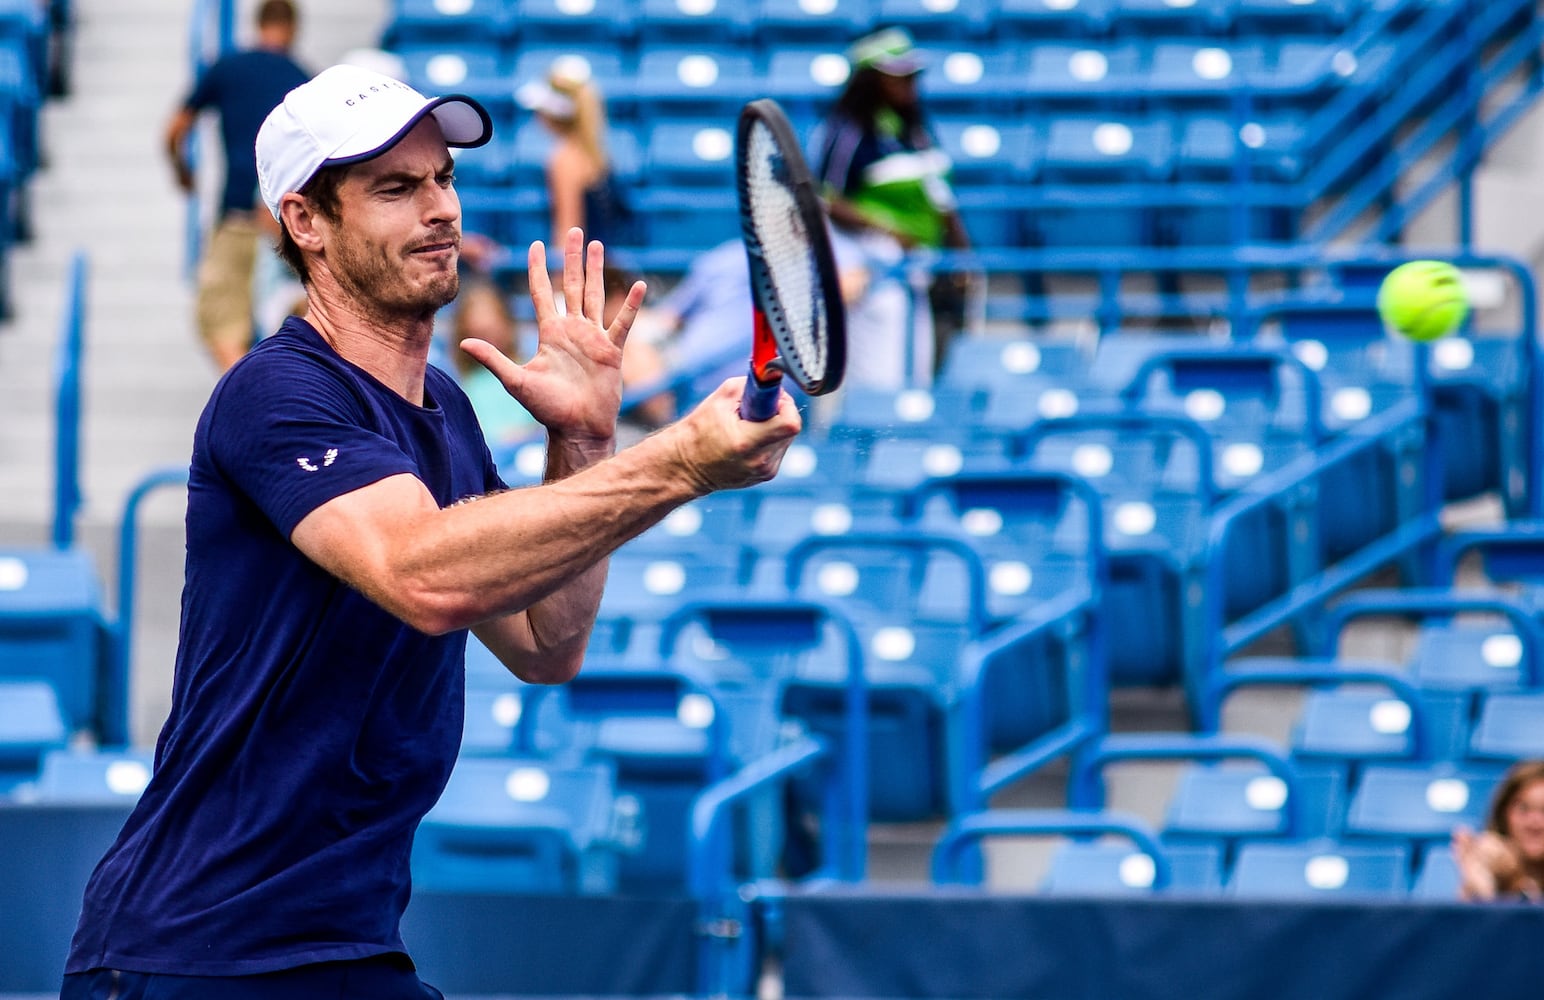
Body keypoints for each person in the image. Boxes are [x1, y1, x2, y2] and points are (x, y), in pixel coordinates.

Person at [62, 63, 800, 998]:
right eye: (397, 188)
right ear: (305, 221)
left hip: (348, 943)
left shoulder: (445, 413)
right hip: (192, 949)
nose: (441, 208)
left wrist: (582, 438)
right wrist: (677, 462)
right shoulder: (277, 392)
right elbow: (423, 577)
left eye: (444, 178)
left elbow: (545, 642)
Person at [808, 26, 977, 384]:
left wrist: (961, 253)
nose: (908, 84)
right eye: (896, 77)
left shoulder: (916, 130)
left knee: (920, 371)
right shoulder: (847, 132)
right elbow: (826, 199)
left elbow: (939, 196)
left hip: (925, 267)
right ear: (870, 80)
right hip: (877, 269)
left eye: (912, 75)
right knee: (881, 374)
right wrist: (887, 230)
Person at [164, 0, 310, 372]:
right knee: (291, 322)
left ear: (257, 24)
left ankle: (254, 391)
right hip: (289, 224)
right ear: (293, 29)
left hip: (239, 218)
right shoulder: (305, 81)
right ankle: (270, 392)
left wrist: (184, 173)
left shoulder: (228, 68)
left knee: (219, 321)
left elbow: (175, 130)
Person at [516, 63, 632, 251]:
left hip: (586, 268)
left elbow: (568, 231)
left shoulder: (565, 160)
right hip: (601, 263)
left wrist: (559, 279)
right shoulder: (596, 153)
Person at [446, 279, 540, 447]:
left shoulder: (531, 364)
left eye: (492, 331)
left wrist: (524, 435)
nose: (486, 346)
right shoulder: (454, 380)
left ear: (507, 325)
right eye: (479, 333)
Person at [1452, 760, 1544, 902]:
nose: (1534, 823)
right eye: (1523, 809)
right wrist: (1481, 879)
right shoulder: (1489, 862)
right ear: (1503, 814)